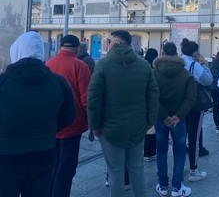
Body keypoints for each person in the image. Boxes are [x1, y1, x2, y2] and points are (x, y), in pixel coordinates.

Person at [0, 31, 76, 197]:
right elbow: (68, 116)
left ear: (16, 52)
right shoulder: (58, 83)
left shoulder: (3, 82)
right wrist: (47, 130)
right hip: (44, 155)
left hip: (6, 158)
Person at [87, 30, 159, 197]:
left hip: (110, 130)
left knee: (115, 171)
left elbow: (93, 98)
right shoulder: (144, 65)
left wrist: (94, 126)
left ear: (116, 42)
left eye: (110, 41)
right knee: (137, 169)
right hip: (138, 127)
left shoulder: (103, 65)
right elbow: (153, 96)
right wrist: (149, 121)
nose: (109, 44)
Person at [46, 34, 91, 197]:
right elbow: (86, 97)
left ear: (60, 47)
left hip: (51, 125)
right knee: (66, 168)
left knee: (52, 165)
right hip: (73, 125)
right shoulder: (80, 66)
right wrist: (91, 121)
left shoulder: (48, 64)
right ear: (77, 48)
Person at [153, 42, 196, 197]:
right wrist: (178, 116)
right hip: (179, 119)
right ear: (176, 54)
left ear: (163, 53)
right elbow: (191, 98)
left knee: (161, 151)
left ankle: (163, 185)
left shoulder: (154, 73)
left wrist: (164, 116)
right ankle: (177, 187)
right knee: (179, 151)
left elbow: (152, 97)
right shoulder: (186, 74)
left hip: (161, 119)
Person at [180, 38, 213, 182]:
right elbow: (208, 80)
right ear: (195, 53)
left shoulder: (178, 62)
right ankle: (193, 170)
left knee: (180, 136)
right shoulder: (194, 65)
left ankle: (179, 166)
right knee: (194, 137)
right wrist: (204, 65)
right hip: (194, 104)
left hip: (178, 105)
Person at [143, 48, 159, 161]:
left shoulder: (141, 65)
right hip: (149, 102)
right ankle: (149, 153)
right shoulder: (152, 69)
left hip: (141, 101)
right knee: (151, 129)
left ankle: (145, 151)